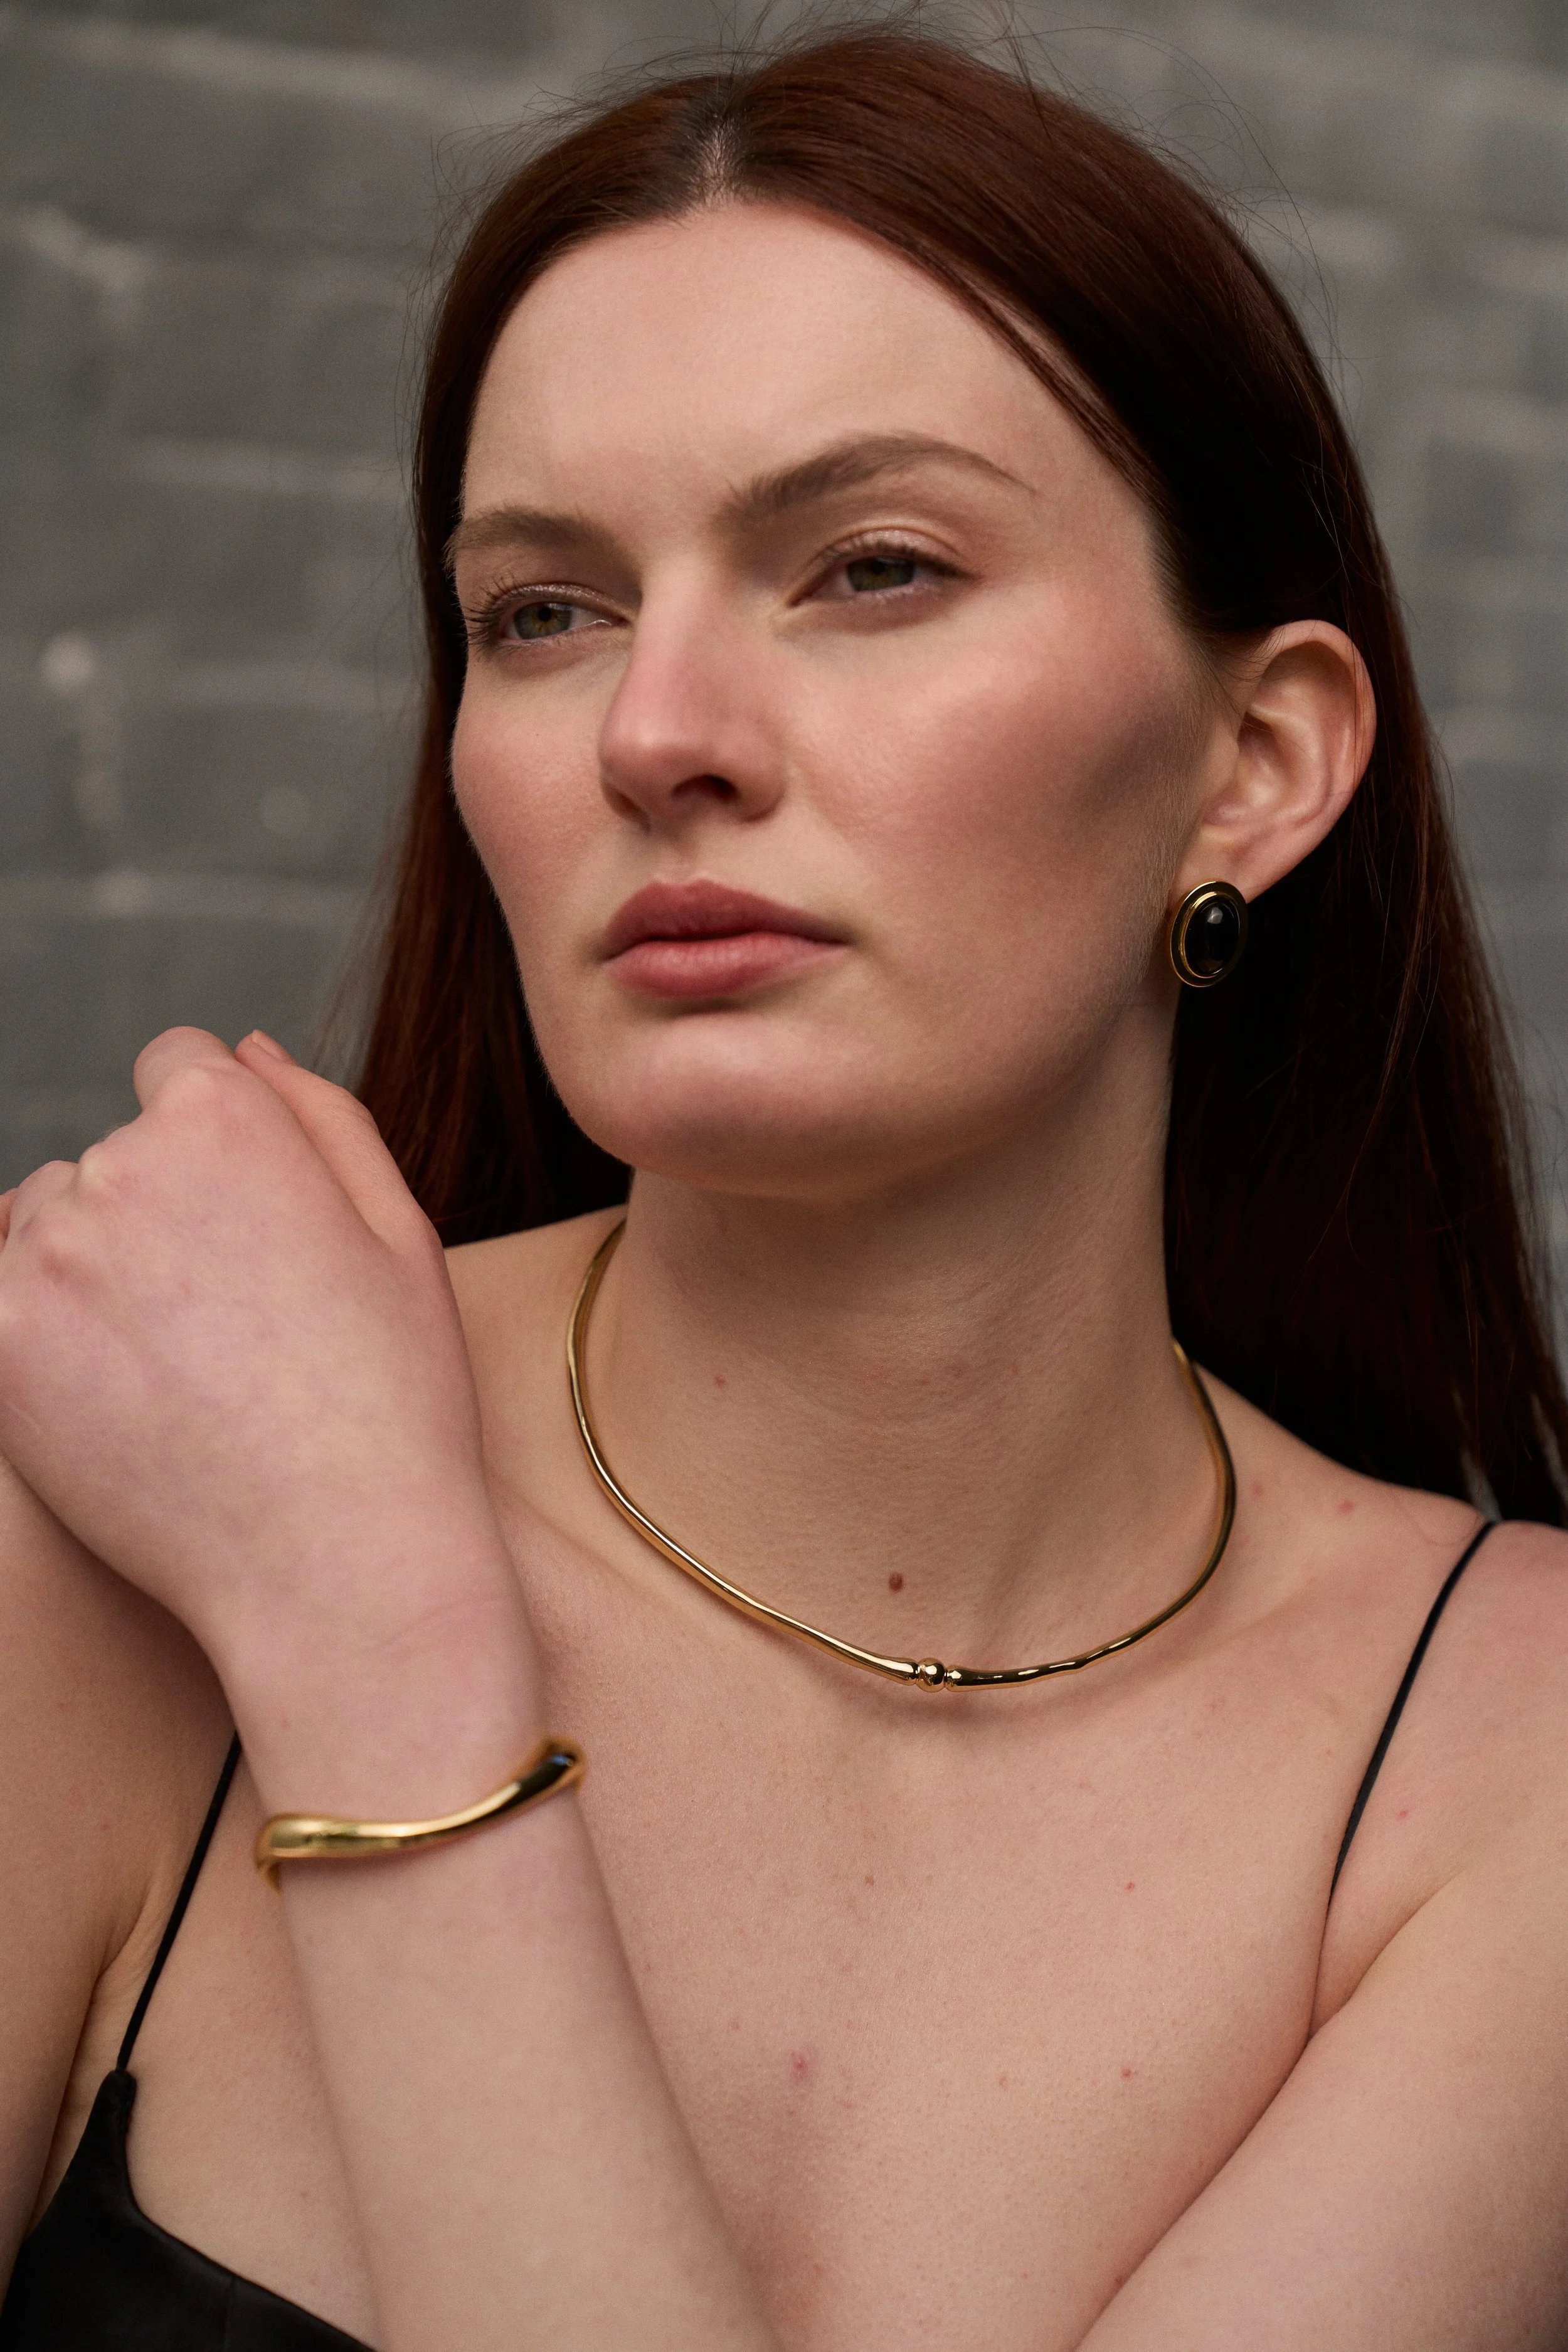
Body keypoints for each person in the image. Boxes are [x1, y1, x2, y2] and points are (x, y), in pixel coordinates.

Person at [3, 26, 1567, 2351]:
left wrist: (379, 1646)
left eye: (871, 565)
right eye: (543, 607)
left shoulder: (1504, 1759)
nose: (656, 732)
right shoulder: (98, 1519)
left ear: (1253, 766)